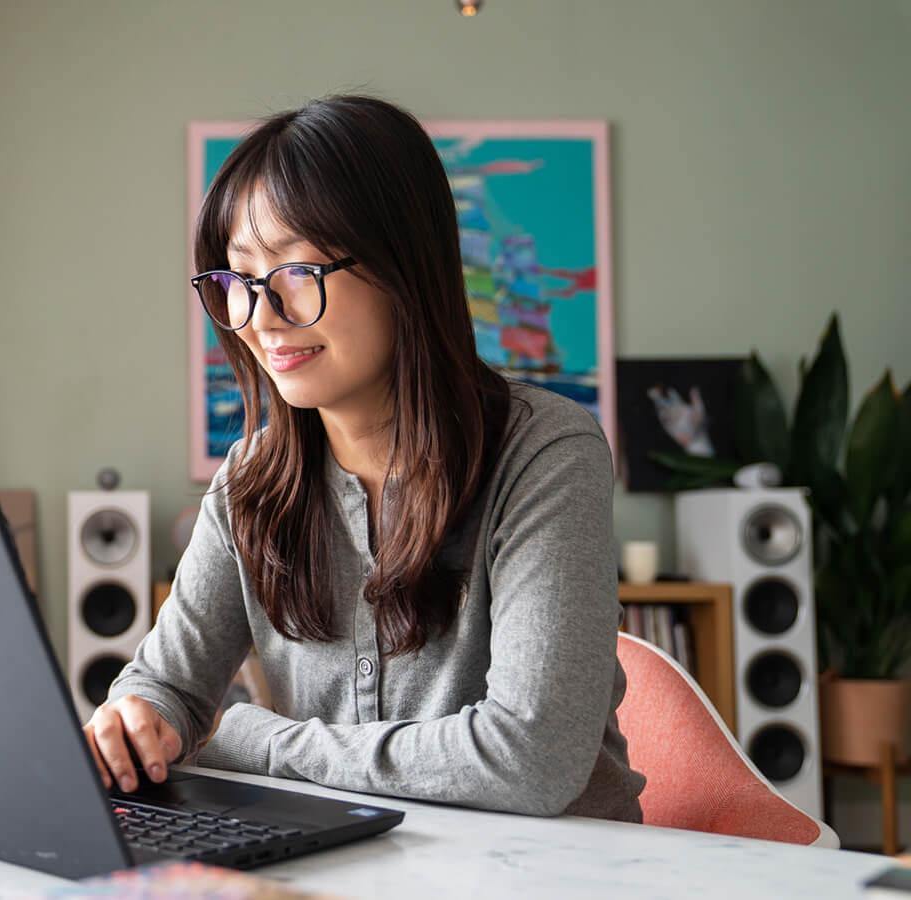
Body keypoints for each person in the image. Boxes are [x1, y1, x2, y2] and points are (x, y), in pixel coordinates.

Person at [82, 94, 646, 821]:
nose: (260, 318)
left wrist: (257, 740)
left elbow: (530, 759)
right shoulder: (250, 482)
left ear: (402, 266)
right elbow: (170, 689)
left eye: (295, 273)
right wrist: (136, 719)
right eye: (238, 278)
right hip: (356, 869)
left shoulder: (545, 450)